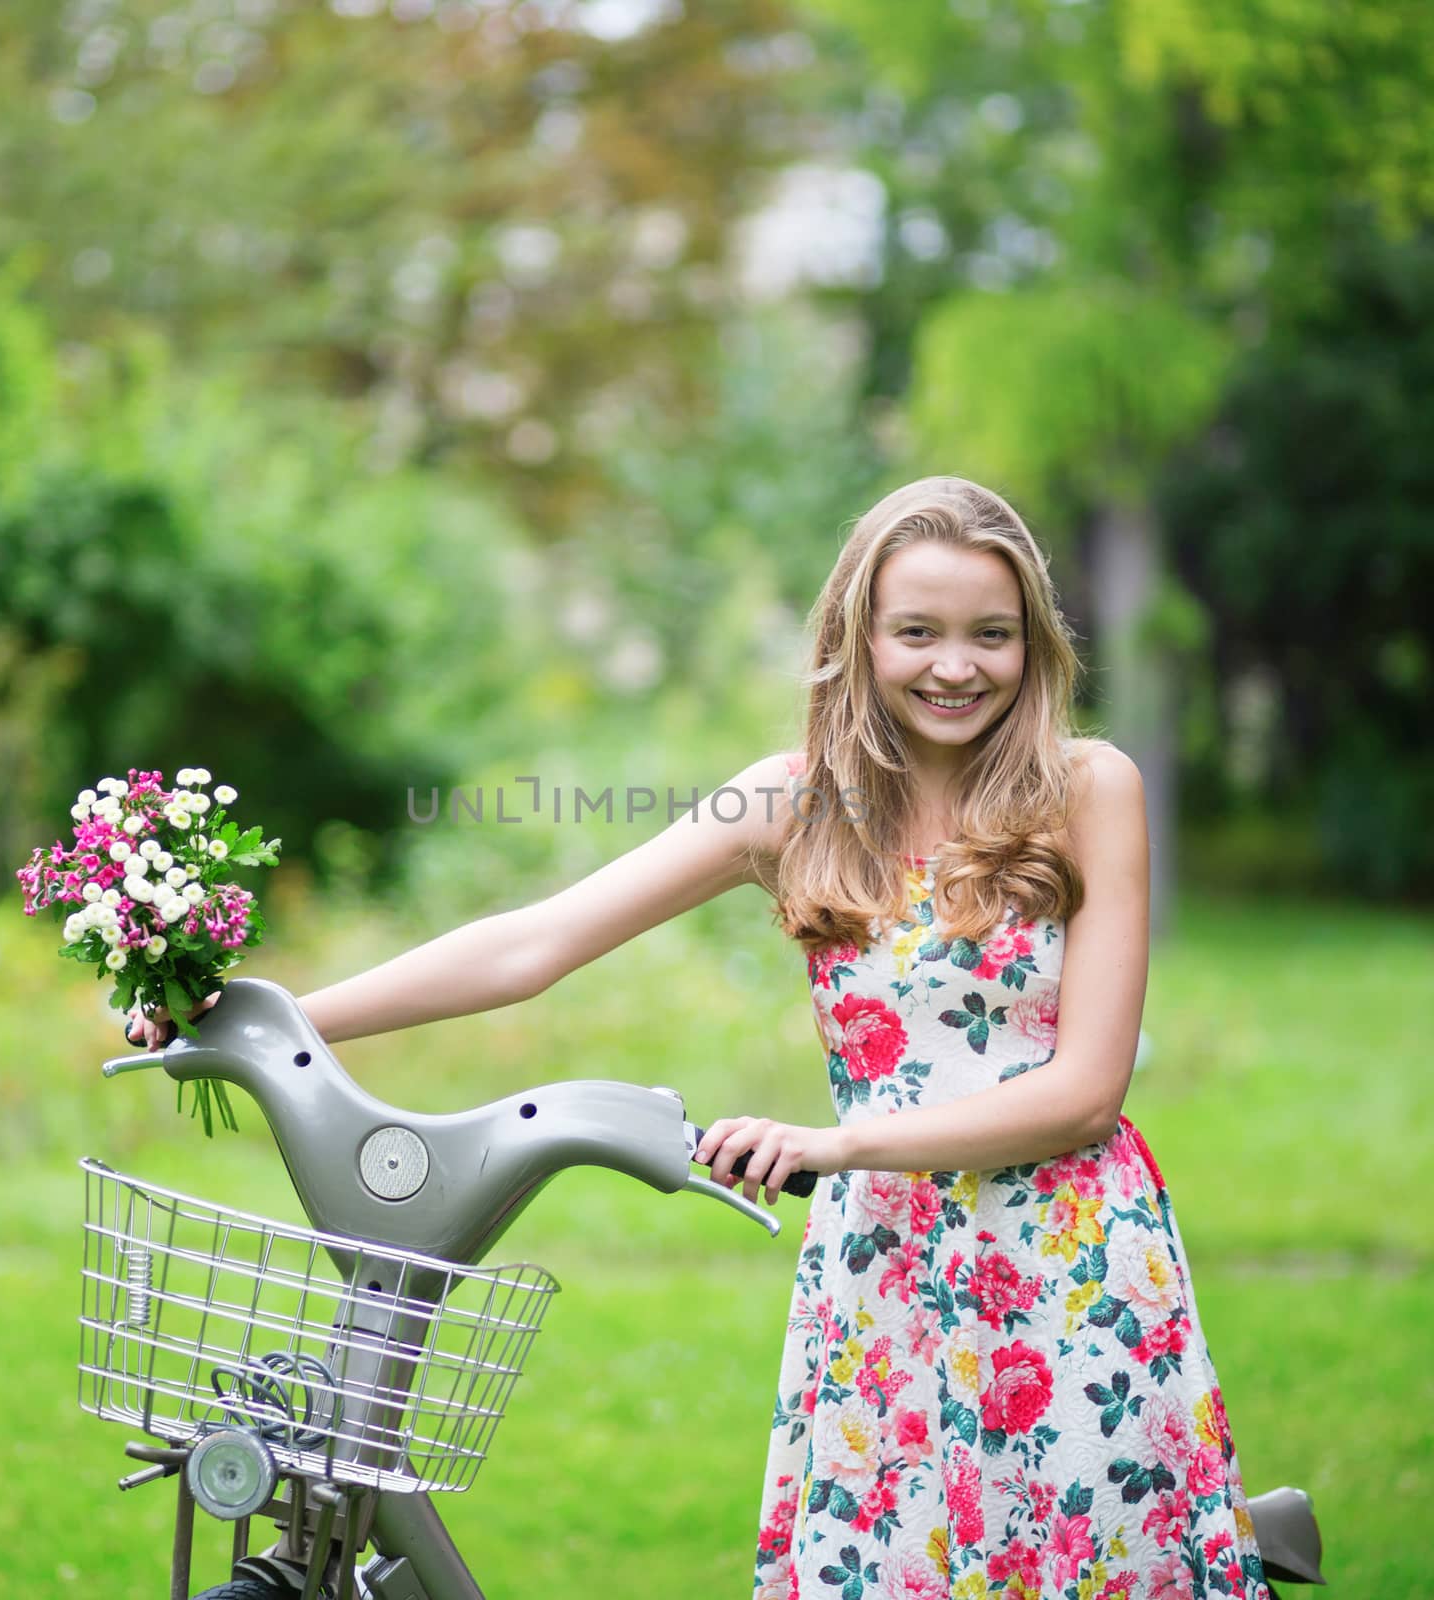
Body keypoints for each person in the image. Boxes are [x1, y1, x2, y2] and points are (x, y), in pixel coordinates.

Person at [129, 476, 1271, 1600]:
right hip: (886, 1274)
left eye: (991, 634)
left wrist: (835, 1146)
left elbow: (1083, 1093)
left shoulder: (1087, 788)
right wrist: (269, 1013)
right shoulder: (792, 805)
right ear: (858, 638)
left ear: (1034, 645)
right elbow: (534, 943)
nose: (955, 665)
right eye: (916, 631)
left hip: (1066, 1266)